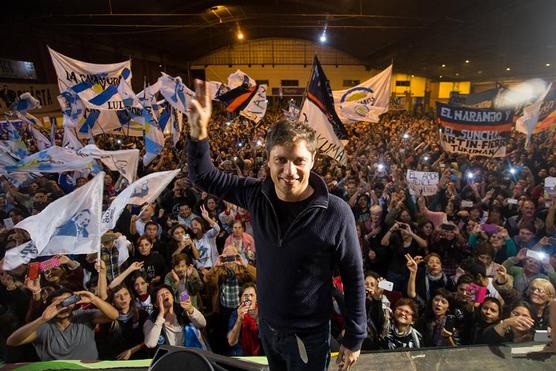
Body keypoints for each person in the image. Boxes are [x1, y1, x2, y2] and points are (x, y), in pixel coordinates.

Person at [187, 92, 366, 370]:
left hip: (309, 335)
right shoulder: (257, 195)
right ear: (268, 160)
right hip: (268, 327)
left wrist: (355, 337)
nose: (289, 170)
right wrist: (198, 132)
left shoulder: (336, 212)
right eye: (280, 160)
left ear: (313, 160)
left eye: (298, 160)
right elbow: (203, 176)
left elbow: (354, 277)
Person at [6, 288, 118, 360]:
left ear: (74, 304)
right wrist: (41, 319)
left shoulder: (83, 316)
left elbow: (114, 316)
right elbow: (12, 341)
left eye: (67, 301)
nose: (64, 307)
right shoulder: (44, 326)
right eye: (59, 304)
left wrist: (94, 300)